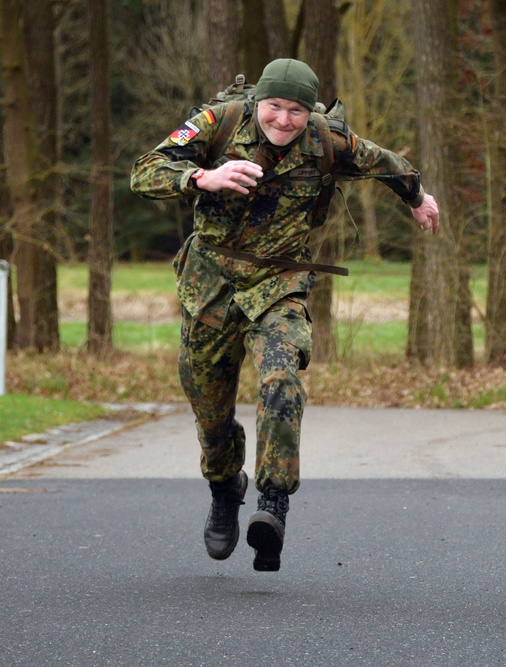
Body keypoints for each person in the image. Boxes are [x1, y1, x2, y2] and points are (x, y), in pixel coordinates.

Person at [131, 58, 439, 572]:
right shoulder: (217, 123)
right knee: (210, 413)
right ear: (258, 102)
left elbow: (383, 161)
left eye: (297, 111)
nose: (284, 120)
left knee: (281, 380)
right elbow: (145, 171)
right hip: (211, 286)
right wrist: (204, 177)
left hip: (279, 283)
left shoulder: (325, 139)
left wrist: (418, 197)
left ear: (309, 111)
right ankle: (225, 487)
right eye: (274, 107)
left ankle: (272, 505)